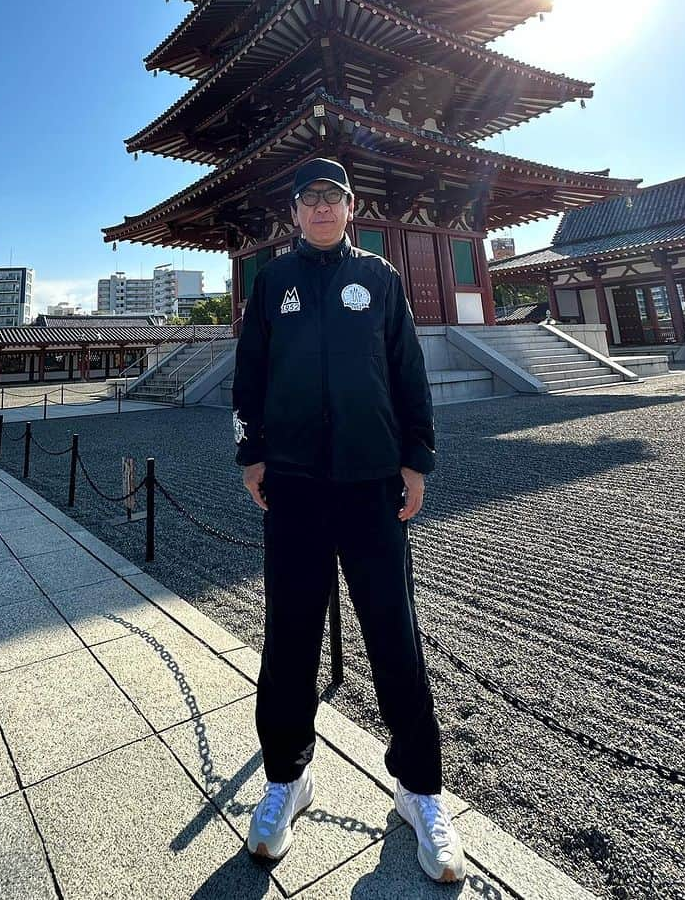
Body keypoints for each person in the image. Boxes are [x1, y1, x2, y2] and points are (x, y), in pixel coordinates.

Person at [233, 157, 465, 884]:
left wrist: (416, 458)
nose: (321, 208)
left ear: (352, 206)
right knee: (289, 637)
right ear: (294, 213)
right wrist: (251, 453)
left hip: (371, 482)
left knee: (394, 634)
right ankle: (286, 777)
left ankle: (419, 789)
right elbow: (251, 375)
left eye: (333, 197)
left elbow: (408, 372)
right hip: (295, 484)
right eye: (309, 199)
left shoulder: (382, 278)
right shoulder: (273, 283)